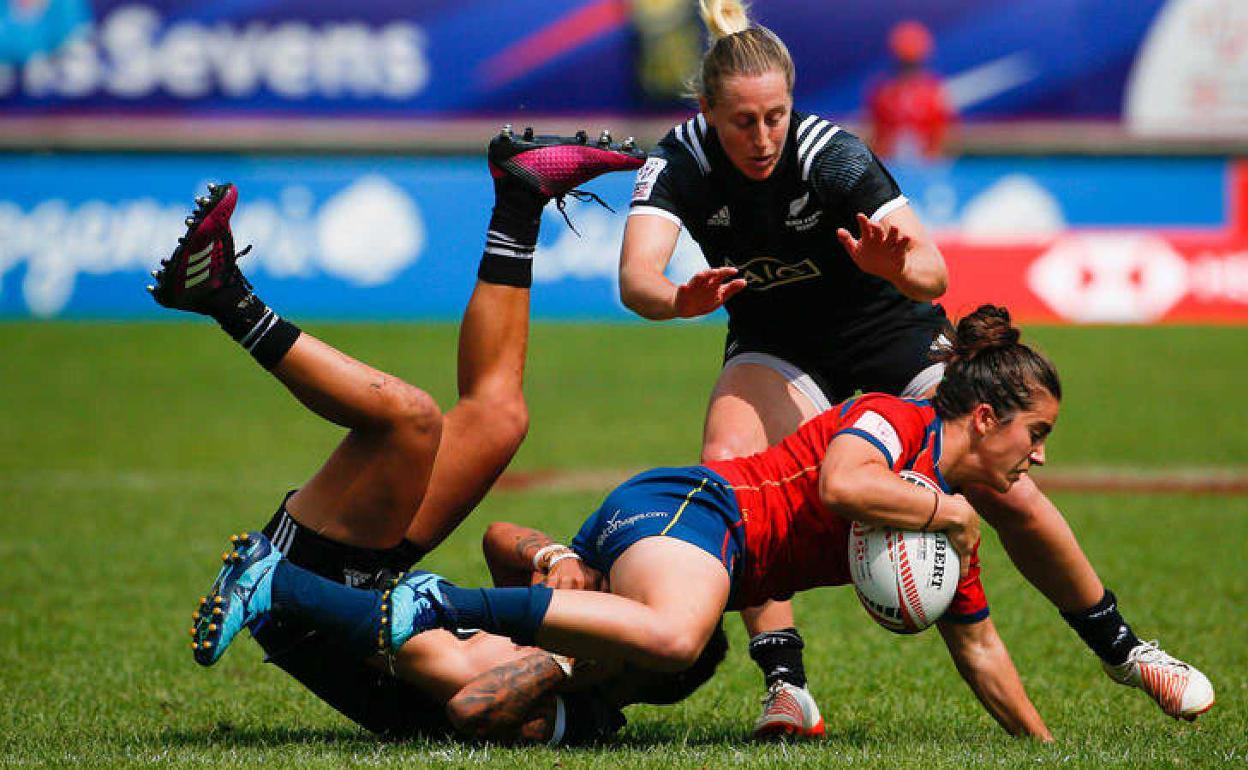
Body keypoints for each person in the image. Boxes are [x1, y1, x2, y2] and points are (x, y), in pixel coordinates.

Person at [616, 0, 1213, 734]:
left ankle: (1127, 651)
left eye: (776, 115)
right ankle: (785, 685)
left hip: (889, 326)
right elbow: (635, 279)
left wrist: (893, 266)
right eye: (744, 121)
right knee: (729, 466)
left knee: (1005, 480)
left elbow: (932, 275)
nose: (764, 136)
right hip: (778, 339)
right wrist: (678, 299)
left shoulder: (829, 152)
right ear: (708, 110)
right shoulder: (679, 158)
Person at [200, 305, 1082, 741]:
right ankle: (421, 605)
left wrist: (1042, 752)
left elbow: (981, 651)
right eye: (1035, 433)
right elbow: (847, 486)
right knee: (676, 633)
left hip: (676, 542)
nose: (1038, 457)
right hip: (695, 509)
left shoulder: (950, 529)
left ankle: (282, 589)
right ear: (983, 417)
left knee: (488, 686)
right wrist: (942, 507)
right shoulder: (899, 421)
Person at [151, 128, 656, 742]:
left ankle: (222, 295)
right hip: (366, 580)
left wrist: (567, 657)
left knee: (408, 421)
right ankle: (521, 199)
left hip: (307, 597)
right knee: (500, 415)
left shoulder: (572, 713)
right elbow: (500, 539)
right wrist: (555, 557)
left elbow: (468, 696)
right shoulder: (579, 641)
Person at [866, 20, 955, 161]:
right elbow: (877, 136)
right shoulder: (883, 92)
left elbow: (941, 137)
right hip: (891, 165)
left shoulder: (934, 92)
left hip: (925, 166)